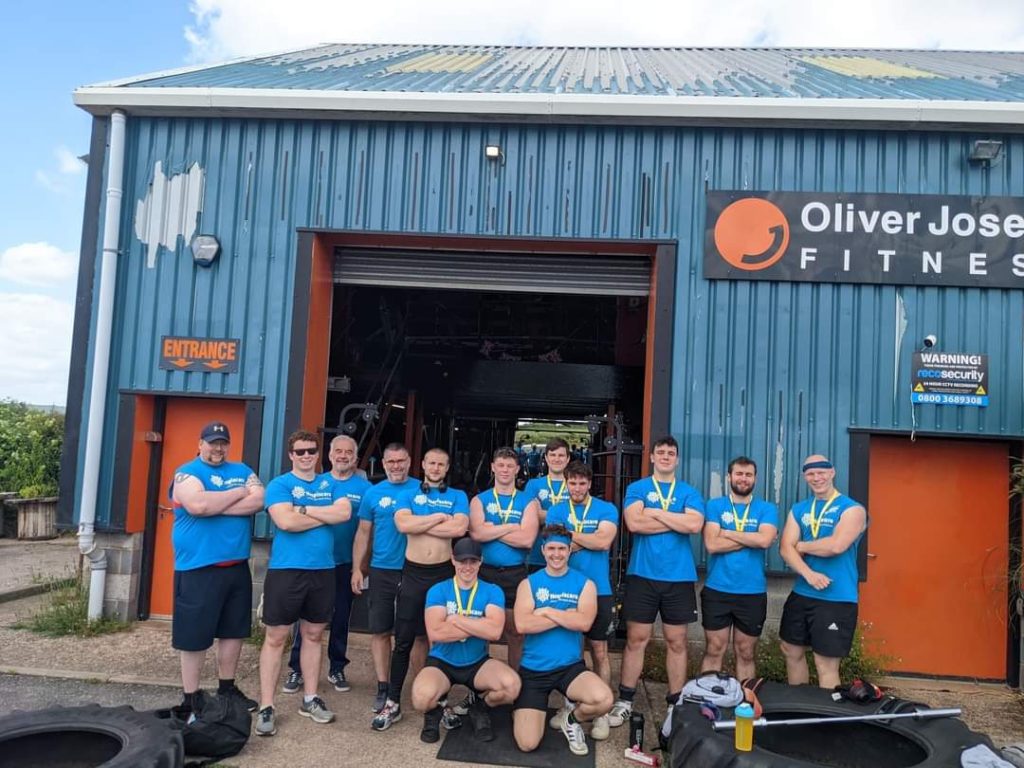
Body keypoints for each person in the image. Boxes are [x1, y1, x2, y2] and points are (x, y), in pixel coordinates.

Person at [255, 431, 352, 737]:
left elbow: (345, 513)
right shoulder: (280, 484)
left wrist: (303, 509)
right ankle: (267, 706)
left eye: (312, 451)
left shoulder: (330, 484)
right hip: (287, 570)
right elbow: (285, 523)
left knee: (313, 635)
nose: (307, 456)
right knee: (276, 637)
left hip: (323, 570)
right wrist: (324, 516)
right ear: (291, 455)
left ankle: (310, 699)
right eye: (301, 452)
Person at [609, 435, 704, 729]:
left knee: (677, 642)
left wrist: (656, 512)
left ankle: (675, 703)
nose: (665, 456)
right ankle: (625, 700)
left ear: (677, 459)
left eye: (670, 453)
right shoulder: (638, 488)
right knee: (637, 639)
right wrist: (675, 519)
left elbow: (695, 525)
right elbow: (634, 523)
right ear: (651, 457)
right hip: (643, 575)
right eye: (660, 452)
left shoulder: (689, 491)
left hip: (679, 578)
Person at [372, 447, 470, 731]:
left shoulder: (458, 496)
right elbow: (402, 524)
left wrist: (422, 524)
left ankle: (440, 702)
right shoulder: (408, 493)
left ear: (447, 466)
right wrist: (440, 518)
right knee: (403, 640)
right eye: (432, 463)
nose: (436, 467)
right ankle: (393, 702)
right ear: (423, 464)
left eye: (442, 463)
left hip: (443, 575)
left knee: (439, 642)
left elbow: (459, 529)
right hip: (413, 574)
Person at [170, 422, 265, 715]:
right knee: (195, 636)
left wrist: (216, 503)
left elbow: (259, 500)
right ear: (200, 444)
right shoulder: (187, 472)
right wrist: (238, 494)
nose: (218, 448)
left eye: (223, 443)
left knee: (233, 632)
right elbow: (197, 505)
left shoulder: (242, 469)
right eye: (212, 443)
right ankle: (191, 698)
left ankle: (226, 689)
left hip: (235, 567)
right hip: (198, 568)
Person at [513, 525, 614, 757]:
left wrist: (546, 610)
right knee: (527, 744)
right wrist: (567, 615)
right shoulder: (529, 584)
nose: (556, 554)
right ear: (543, 550)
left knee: (604, 699)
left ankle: (571, 719)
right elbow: (523, 625)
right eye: (551, 549)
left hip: (570, 668)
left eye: (561, 549)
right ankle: (524, 710)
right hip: (534, 670)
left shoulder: (586, 584)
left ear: (570, 550)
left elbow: (584, 624)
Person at [282, 435, 370, 696]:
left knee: (341, 617)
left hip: (345, 564)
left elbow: (366, 532)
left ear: (355, 457)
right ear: (329, 456)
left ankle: (337, 667)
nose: (343, 456)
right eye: (338, 451)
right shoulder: (318, 483)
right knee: (307, 619)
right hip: (315, 563)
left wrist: (360, 567)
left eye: (348, 452)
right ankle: (297, 667)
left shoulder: (365, 489)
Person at [411, 537, 521, 744]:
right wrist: (478, 624)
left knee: (511, 687)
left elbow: (495, 632)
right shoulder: (439, 590)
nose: (467, 567)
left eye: (472, 561)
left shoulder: (492, 590)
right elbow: (436, 633)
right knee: (421, 698)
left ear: (480, 561)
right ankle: (434, 712)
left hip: (477, 662)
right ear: (453, 560)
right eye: (462, 561)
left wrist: (456, 620)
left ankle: (479, 707)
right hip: (442, 661)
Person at [779, 454, 867, 689]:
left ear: (832, 472)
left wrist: (802, 546)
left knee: (825, 663)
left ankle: (825, 720)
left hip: (836, 596)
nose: (816, 478)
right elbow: (785, 549)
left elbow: (836, 546)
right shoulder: (799, 509)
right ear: (805, 476)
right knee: (791, 650)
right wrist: (809, 574)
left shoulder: (852, 509)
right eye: (810, 473)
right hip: (803, 592)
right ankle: (799, 709)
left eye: (821, 472)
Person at [545, 461, 618, 741]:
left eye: (582, 483)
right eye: (572, 483)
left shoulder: (606, 508)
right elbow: (555, 548)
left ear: (590, 484)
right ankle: (570, 707)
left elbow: (603, 542)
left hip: (598, 589)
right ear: (566, 483)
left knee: (599, 651)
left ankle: (601, 712)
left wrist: (571, 536)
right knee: (571, 652)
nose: (577, 488)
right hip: (565, 589)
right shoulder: (556, 509)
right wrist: (584, 539)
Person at [351, 443, 421, 713]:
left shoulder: (421, 489)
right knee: (380, 630)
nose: (396, 466)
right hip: (382, 569)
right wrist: (358, 568)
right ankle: (383, 687)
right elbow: (363, 533)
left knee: (416, 633)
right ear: (383, 464)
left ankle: (419, 684)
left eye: (401, 461)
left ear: (409, 461)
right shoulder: (373, 493)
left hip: (415, 569)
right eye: (391, 461)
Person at [700, 456, 779, 680]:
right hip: (718, 589)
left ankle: (745, 706)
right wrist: (751, 538)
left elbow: (765, 542)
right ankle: (708, 701)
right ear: (729, 477)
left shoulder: (766, 508)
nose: (743, 479)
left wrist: (727, 532)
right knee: (715, 649)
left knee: (745, 652)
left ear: (755, 478)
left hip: (752, 592)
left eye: (748, 475)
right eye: (739, 474)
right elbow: (712, 545)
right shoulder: (715, 505)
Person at [468, 446, 540, 671]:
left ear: (517, 469)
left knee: (516, 632)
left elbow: (527, 540)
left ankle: (517, 687)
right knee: (481, 632)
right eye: (501, 465)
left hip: (514, 573)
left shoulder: (529, 502)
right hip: (484, 572)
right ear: (493, 467)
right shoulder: (479, 500)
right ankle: (478, 688)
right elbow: (477, 534)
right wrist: (511, 527)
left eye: (510, 466)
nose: (505, 470)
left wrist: (495, 529)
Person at [523, 438, 572, 574]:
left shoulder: (575, 485)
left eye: (561, 455)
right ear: (546, 457)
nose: (557, 459)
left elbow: (579, 517)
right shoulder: (533, 485)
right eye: (553, 455)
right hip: (537, 556)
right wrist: (565, 516)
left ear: (568, 459)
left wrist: (543, 513)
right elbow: (531, 518)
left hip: (568, 555)